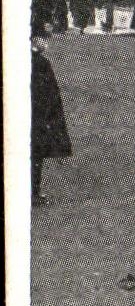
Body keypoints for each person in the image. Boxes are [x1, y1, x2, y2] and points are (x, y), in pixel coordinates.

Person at [31, 31, 72, 204]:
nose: (46, 42)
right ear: (34, 39)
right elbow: (49, 94)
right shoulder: (40, 62)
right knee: (35, 154)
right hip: (37, 116)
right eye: (44, 38)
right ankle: (33, 193)